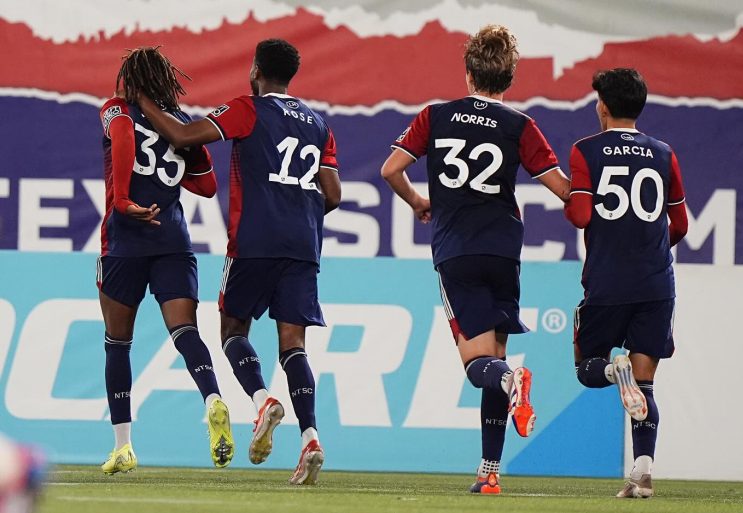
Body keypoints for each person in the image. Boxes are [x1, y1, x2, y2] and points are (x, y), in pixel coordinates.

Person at [137, 39, 341, 485]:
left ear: (256, 71)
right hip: (304, 245)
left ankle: (262, 400)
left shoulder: (249, 108)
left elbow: (183, 135)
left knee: (232, 330)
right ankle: (310, 437)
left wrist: (144, 102)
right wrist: (296, 213)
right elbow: (334, 195)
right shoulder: (319, 124)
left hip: (254, 242)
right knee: (294, 344)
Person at [381, 25, 571, 494]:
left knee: (479, 366)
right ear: (509, 78)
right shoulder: (521, 126)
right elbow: (563, 190)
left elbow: (390, 170)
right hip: (504, 250)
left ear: (467, 73)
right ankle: (489, 473)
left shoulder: (436, 116)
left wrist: (418, 202)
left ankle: (512, 382)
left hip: (457, 251)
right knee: (497, 358)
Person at [98, 47, 235, 474]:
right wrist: (166, 177)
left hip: (125, 242)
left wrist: (123, 197)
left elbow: (122, 136)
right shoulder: (177, 122)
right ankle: (213, 399)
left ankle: (123, 446)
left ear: (129, 79)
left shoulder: (117, 109)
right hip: (173, 240)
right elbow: (209, 185)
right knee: (185, 331)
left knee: (118, 342)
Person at [564, 68, 688, 498]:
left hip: (607, 281)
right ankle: (643, 473)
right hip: (656, 282)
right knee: (647, 383)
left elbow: (580, 215)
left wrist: (576, 202)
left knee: (586, 367)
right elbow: (681, 225)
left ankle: (616, 372)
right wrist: (649, 245)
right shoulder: (664, 152)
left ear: (602, 105)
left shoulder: (586, 151)